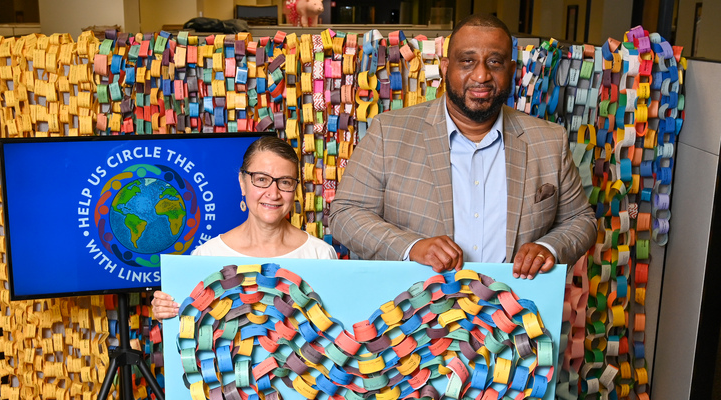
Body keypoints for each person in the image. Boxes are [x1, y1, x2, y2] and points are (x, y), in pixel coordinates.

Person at [329, 14, 597, 280]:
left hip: (515, 311)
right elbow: (345, 215)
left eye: (495, 62)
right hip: (417, 313)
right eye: (467, 61)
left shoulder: (549, 140)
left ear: (512, 71)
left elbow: (581, 221)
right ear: (445, 67)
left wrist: (548, 248)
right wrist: (411, 247)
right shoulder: (389, 132)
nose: (481, 75)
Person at [152, 136, 337, 320]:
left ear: (295, 189)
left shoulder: (320, 254)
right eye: (262, 179)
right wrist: (167, 311)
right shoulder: (207, 255)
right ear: (242, 182)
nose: (273, 194)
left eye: (285, 182)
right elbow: (192, 329)